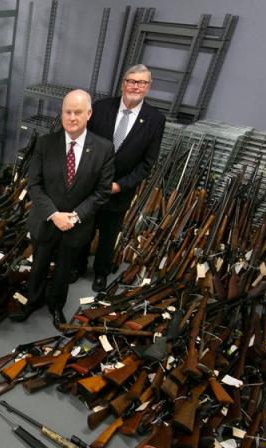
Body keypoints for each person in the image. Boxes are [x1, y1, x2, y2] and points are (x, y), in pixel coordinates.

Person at [19, 90, 114, 328]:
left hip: (75, 225)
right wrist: (54, 214)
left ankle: (56, 306)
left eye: (78, 112)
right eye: (67, 112)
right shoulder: (45, 144)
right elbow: (34, 184)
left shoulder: (103, 149)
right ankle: (32, 302)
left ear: (89, 114)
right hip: (45, 220)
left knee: (63, 270)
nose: (72, 117)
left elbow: (102, 192)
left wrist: (75, 216)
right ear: (61, 114)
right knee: (38, 264)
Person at [82, 64, 165, 292]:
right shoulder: (100, 107)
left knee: (108, 235)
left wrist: (121, 185)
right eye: (131, 81)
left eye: (141, 82)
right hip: (89, 186)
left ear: (148, 87)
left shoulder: (155, 119)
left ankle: (100, 273)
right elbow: (84, 143)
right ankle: (76, 266)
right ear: (123, 83)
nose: (135, 86)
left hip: (119, 190)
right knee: (83, 229)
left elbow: (148, 163)